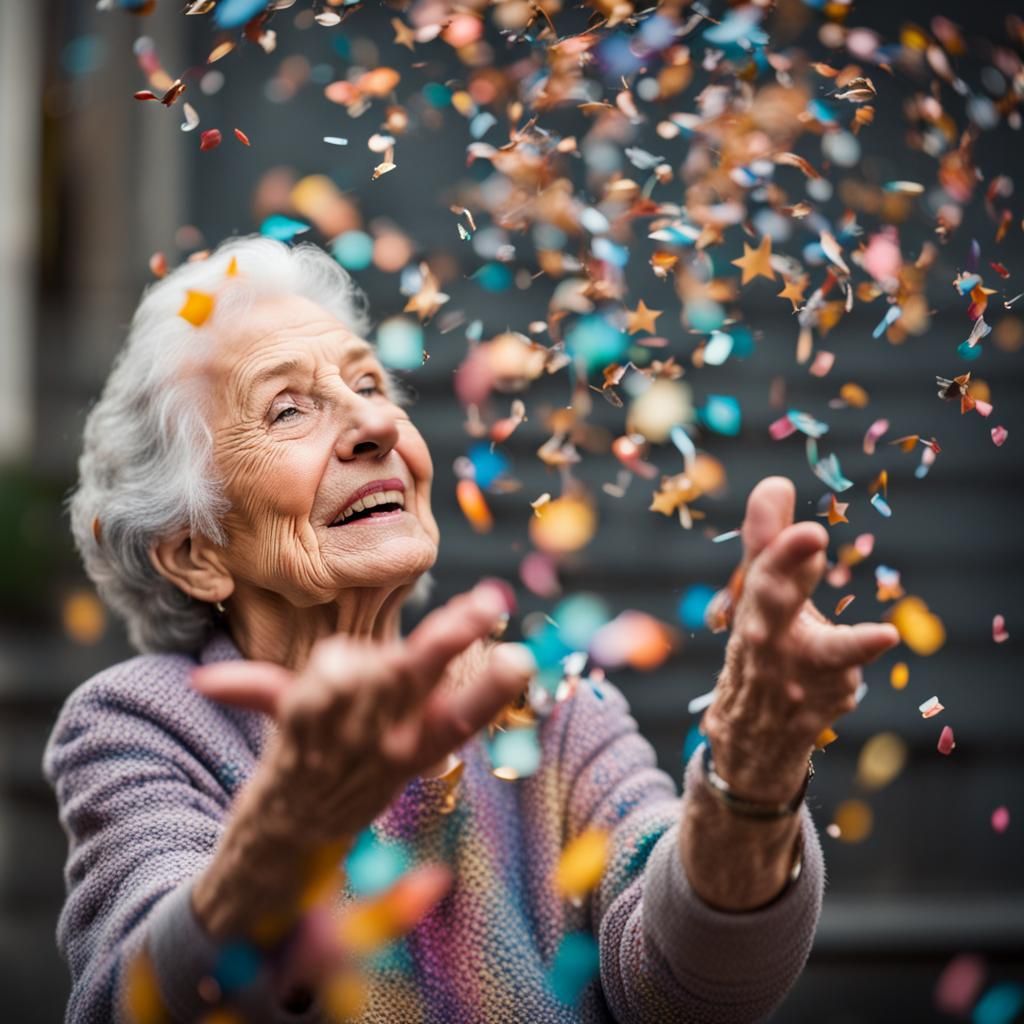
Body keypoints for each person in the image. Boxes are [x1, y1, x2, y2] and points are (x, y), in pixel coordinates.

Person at [43, 236, 899, 1023]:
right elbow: (139, 999)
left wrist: (751, 777)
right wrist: (287, 839)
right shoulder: (140, 724)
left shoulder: (549, 709)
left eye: (370, 385)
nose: (376, 425)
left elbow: (689, 990)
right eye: (288, 411)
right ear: (195, 552)